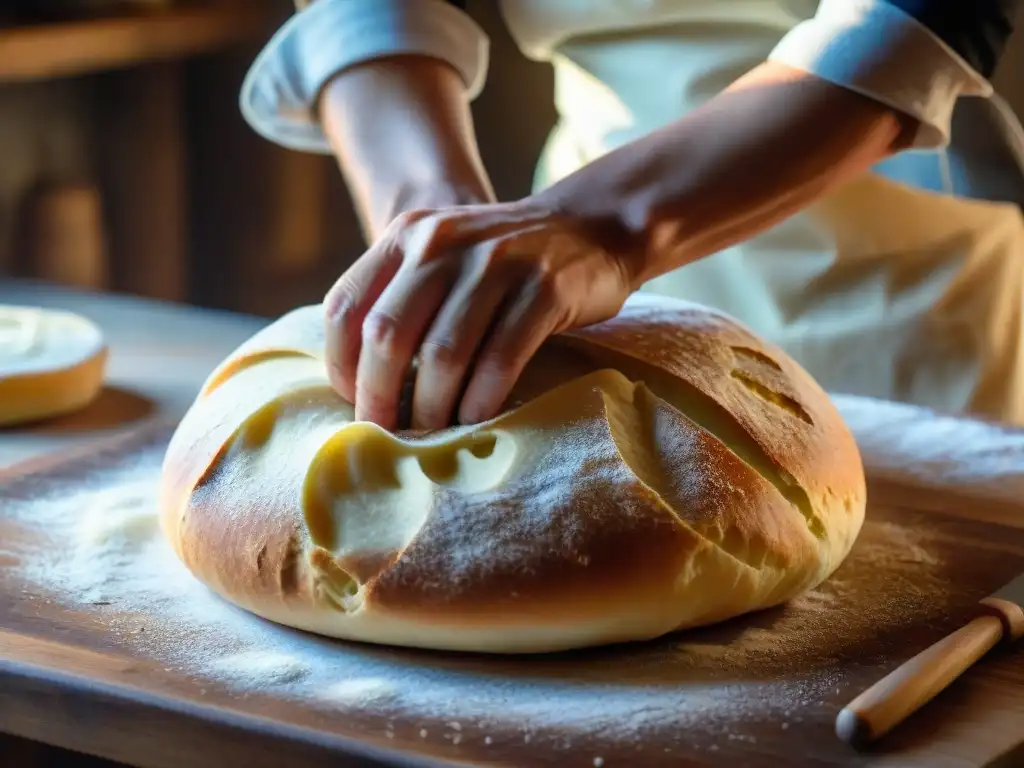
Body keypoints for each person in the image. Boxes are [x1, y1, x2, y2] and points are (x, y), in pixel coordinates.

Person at [241, 0, 1024, 432]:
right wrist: (434, 217)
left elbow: (923, 25)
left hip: (898, 316)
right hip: (573, 299)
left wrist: (602, 227)